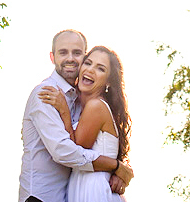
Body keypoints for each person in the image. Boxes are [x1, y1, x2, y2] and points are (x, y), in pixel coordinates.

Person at [20, 29, 133, 202]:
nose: (71, 58)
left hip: (76, 194)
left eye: (77, 53)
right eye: (63, 52)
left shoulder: (82, 101)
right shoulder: (46, 94)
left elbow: (101, 143)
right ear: (53, 57)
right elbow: (63, 151)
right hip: (42, 197)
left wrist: (118, 170)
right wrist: (116, 167)